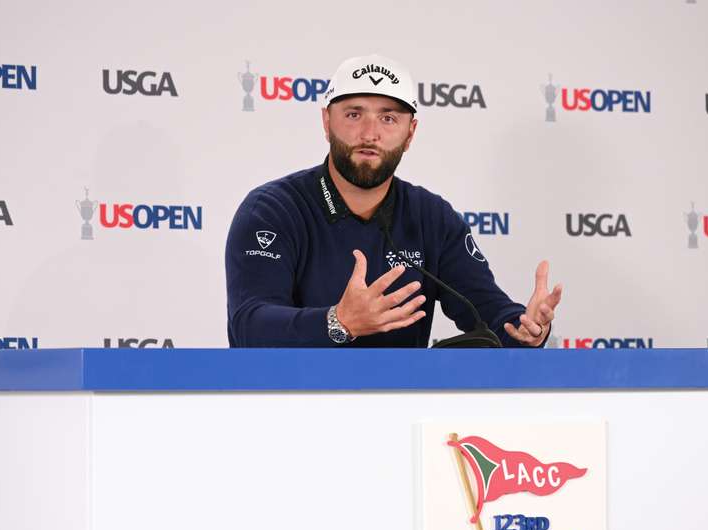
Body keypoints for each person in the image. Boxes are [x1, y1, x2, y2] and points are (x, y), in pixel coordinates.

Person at [225, 54, 562, 348]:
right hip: (291, 406)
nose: (370, 133)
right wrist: (338, 322)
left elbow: (489, 312)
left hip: (403, 411)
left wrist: (525, 329)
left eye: (388, 118)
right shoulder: (272, 210)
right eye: (354, 114)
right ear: (327, 122)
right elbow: (250, 326)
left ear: (410, 133)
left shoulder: (432, 217)